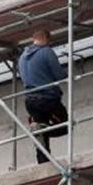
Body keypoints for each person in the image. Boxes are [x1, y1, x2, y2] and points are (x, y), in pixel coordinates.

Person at [17, 29, 69, 164]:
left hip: (30, 100)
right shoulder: (46, 52)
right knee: (65, 125)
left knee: (41, 136)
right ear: (46, 38)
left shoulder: (22, 57)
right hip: (48, 98)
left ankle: (43, 161)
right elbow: (59, 75)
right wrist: (66, 74)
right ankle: (42, 129)